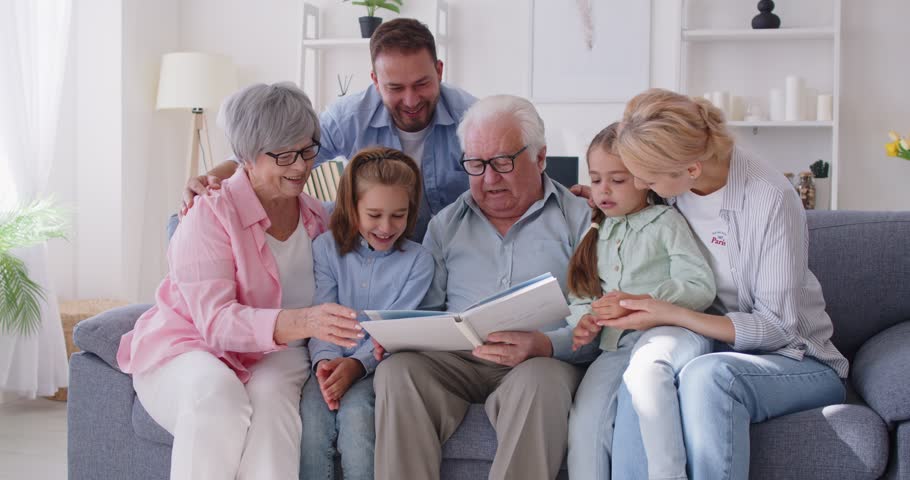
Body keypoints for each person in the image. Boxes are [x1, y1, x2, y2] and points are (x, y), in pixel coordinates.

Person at [116, 83, 364, 480]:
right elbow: (215, 324)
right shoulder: (209, 214)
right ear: (245, 158)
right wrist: (306, 321)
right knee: (218, 397)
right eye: (284, 155)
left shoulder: (319, 218)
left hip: (274, 354)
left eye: (307, 150)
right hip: (191, 345)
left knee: (274, 403)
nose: (301, 167)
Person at [599, 88, 848, 479]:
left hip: (795, 358)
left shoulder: (770, 198)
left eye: (645, 178)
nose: (638, 185)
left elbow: (778, 327)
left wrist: (674, 314)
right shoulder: (670, 193)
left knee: (707, 378)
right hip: (705, 344)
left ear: (691, 170)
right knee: (645, 373)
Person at [371, 94, 595, 480]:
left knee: (541, 382)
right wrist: (399, 335)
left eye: (503, 162)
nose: (489, 179)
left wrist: (544, 344)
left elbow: (594, 319)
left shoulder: (579, 220)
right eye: (476, 165)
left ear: (540, 158)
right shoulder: (445, 224)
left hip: (538, 361)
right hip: (457, 361)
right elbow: (425, 306)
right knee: (398, 371)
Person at [179, 18, 476, 241]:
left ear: (439, 70)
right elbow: (278, 151)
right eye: (395, 88)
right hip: (370, 248)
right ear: (374, 79)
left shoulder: (473, 119)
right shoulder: (350, 116)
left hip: (448, 248)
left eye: (421, 84)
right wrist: (211, 178)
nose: (411, 100)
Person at [565, 122, 716, 480]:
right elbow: (582, 294)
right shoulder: (595, 231)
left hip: (665, 333)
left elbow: (699, 284)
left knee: (647, 382)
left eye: (617, 180)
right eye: (596, 179)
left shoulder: (666, 222)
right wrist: (584, 320)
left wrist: (639, 302)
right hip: (613, 346)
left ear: (644, 178)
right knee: (586, 422)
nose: (604, 190)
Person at [300, 147, 434, 480]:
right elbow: (322, 315)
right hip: (326, 364)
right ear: (352, 207)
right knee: (312, 424)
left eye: (398, 215)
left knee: (358, 419)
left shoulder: (419, 261)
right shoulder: (325, 249)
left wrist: (357, 365)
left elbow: (395, 328)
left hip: (376, 367)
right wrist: (326, 364)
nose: (387, 227)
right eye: (374, 215)